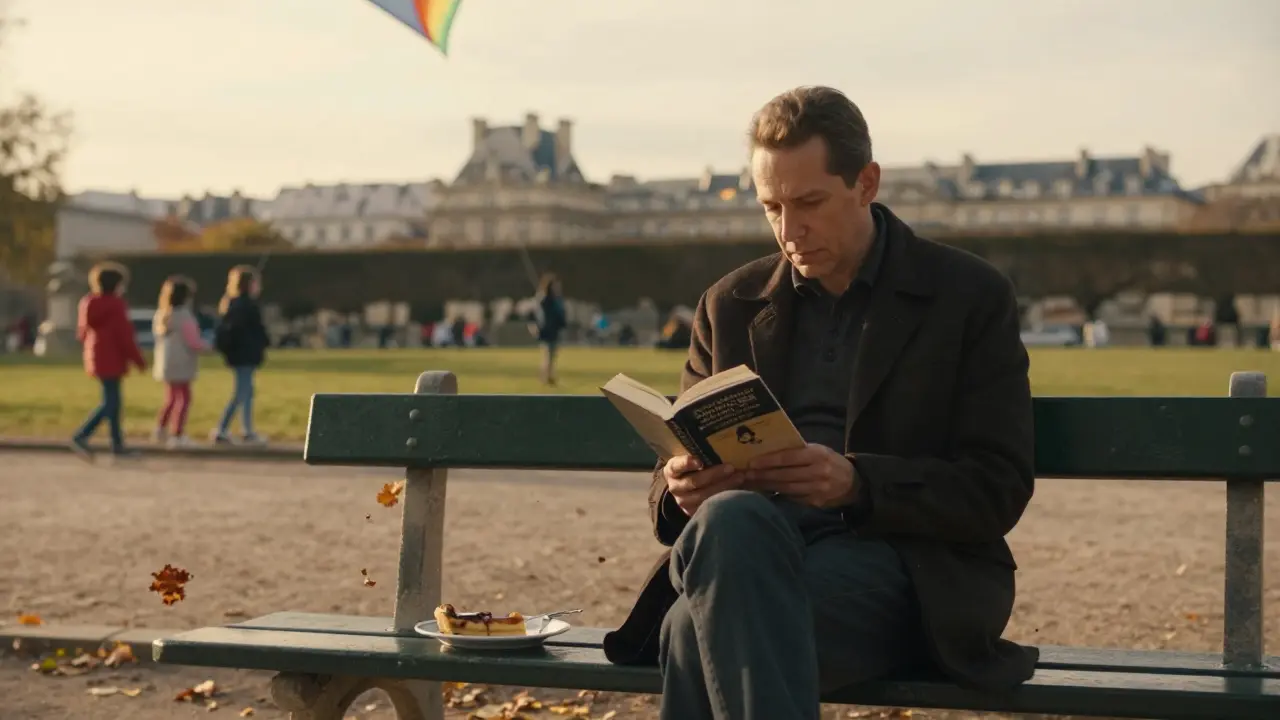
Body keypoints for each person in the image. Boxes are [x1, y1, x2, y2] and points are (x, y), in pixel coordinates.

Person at [602, 86, 1038, 719]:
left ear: (866, 183)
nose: (789, 231)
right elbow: (677, 467)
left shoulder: (966, 295)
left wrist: (858, 483)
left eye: (809, 203)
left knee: (689, 634)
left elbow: (998, 486)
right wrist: (679, 485)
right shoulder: (729, 304)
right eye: (771, 207)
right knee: (729, 523)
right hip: (747, 549)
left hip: (905, 565)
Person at [70, 261, 147, 460]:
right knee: (111, 403)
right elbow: (125, 336)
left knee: (113, 401)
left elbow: (82, 333)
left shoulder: (88, 303)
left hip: (96, 356)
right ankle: (83, 435)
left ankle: (117, 444)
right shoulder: (116, 305)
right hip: (112, 357)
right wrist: (138, 360)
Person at [211, 265, 269, 445]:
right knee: (242, 393)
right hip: (245, 355)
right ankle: (222, 429)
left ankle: (247, 430)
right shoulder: (247, 306)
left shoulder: (231, 304)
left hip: (239, 355)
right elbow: (253, 331)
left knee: (247, 392)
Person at [151, 275, 209, 448]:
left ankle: (160, 430)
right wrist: (209, 346)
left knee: (170, 399)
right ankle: (177, 434)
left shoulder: (162, 315)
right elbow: (194, 342)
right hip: (182, 363)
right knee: (184, 398)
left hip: (166, 364)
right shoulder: (185, 317)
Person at [532, 273, 567, 385]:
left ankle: (549, 376)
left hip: (553, 329)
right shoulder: (547, 299)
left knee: (551, 355)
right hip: (548, 330)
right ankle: (547, 377)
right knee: (549, 355)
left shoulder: (552, 299)